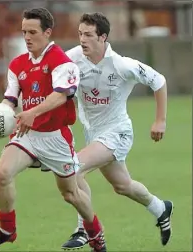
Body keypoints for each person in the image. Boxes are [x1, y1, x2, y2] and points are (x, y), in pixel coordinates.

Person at [0, 8, 105, 252]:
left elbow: (61, 96)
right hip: (27, 134)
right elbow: (10, 100)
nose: (27, 37)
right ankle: (6, 230)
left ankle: (95, 232)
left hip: (55, 137)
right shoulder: (17, 64)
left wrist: (32, 113)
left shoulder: (61, 62)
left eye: (32, 32)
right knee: (2, 174)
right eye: (24, 31)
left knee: (71, 194)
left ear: (47, 32)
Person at [60, 12, 174, 250]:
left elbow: (159, 81)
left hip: (118, 132)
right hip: (94, 134)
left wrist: (160, 121)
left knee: (74, 167)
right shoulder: (71, 59)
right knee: (123, 186)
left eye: (89, 35)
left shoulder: (121, 64)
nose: (82, 40)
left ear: (103, 37)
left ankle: (84, 229)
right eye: (80, 34)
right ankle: (161, 208)